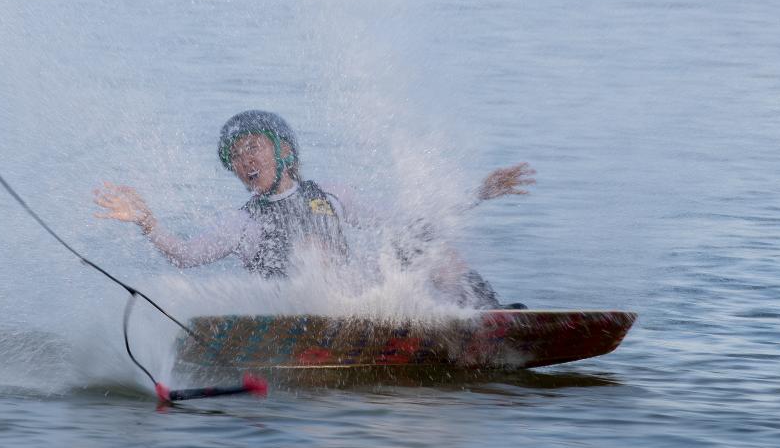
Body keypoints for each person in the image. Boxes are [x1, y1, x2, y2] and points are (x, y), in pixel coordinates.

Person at [92, 110, 535, 308]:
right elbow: (187, 256)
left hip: (361, 306)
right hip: (301, 316)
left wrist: (478, 193)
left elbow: (406, 222)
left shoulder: (332, 194)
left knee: (424, 246)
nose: (244, 161)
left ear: (283, 150)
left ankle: (487, 317)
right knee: (314, 255)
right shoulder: (243, 222)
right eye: (235, 157)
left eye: (253, 148)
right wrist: (148, 223)